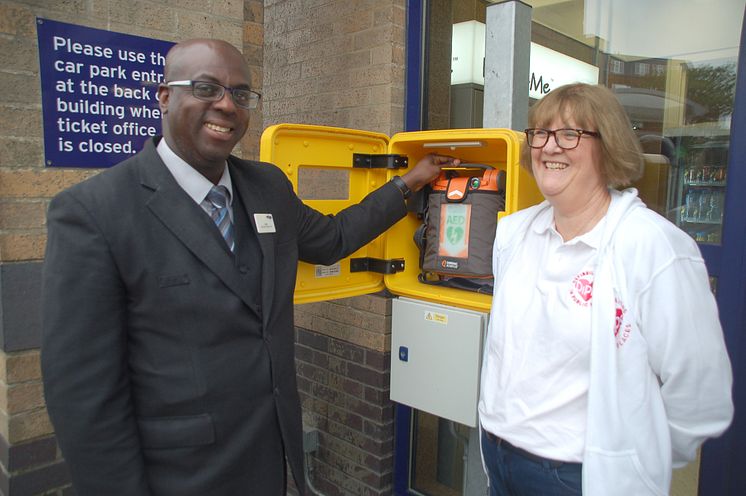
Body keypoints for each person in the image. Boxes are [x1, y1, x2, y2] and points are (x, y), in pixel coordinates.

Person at [41, 38, 457, 496]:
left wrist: (408, 183)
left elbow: (332, 239)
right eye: (205, 88)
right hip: (177, 476)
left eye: (241, 94)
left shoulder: (267, 187)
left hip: (269, 458)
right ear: (164, 96)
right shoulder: (94, 212)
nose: (226, 105)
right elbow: (83, 395)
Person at [477, 83, 733, 495]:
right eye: (540, 133)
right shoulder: (513, 234)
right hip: (498, 458)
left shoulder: (653, 248)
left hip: (579, 477)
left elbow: (701, 395)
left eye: (570, 134)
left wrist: (634, 455)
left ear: (608, 146)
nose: (549, 147)